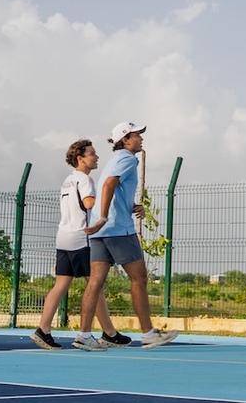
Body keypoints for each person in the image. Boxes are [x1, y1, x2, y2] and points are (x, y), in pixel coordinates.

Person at [75, 122, 179, 351]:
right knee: (139, 279)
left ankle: (84, 335)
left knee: (95, 282)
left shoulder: (114, 161)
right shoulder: (128, 159)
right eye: (136, 135)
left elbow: (113, 188)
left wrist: (131, 205)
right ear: (125, 140)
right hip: (117, 229)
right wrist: (103, 216)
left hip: (101, 229)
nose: (141, 139)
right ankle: (149, 334)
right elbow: (110, 184)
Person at [31, 139, 130, 350]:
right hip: (81, 238)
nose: (97, 157)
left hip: (63, 237)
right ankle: (109, 333)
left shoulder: (68, 180)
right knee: (95, 285)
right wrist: (114, 205)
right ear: (80, 158)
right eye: (92, 153)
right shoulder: (85, 180)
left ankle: (43, 330)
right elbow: (89, 204)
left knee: (61, 286)